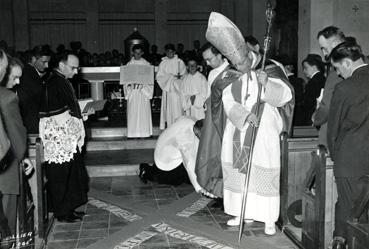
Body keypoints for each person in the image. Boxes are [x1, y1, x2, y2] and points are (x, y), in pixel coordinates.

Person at [205, 12, 293, 235]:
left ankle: (268, 218)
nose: (240, 66)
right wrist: (244, 115)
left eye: (242, 62)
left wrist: (267, 86)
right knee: (241, 172)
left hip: (264, 131)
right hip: (240, 129)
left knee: (262, 172)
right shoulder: (232, 74)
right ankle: (241, 212)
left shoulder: (271, 68)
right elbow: (227, 101)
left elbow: (285, 96)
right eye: (235, 63)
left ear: (249, 55)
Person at [39, 51, 92, 223]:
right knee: (60, 177)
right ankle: (62, 212)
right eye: (73, 67)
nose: (76, 72)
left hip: (66, 138)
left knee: (70, 175)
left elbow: (68, 108)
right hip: (59, 139)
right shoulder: (53, 83)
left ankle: (68, 208)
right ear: (61, 65)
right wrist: (78, 119)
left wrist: (81, 113)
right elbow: (55, 114)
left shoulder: (61, 81)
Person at [327, 41, 369, 249]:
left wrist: (336, 156)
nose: (338, 73)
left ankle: (340, 242)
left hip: (350, 160)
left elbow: (333, 128)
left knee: (347, 207)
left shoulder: (344, 88)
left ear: (347, 63)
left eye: (337, 68)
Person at [0, 54, 33, 244]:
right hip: (5, 170)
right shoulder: (7, 97)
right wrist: (22, 156)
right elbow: (17, 133)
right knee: (6, 226)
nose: (18, 82)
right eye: (14, 77)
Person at [194, 41, 234, 199]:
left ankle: (228, 192)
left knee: (226, 156)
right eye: (205, 60)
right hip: (213, 119)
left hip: (227, 120)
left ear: (220, 55)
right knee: (213, 153)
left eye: (210, 59)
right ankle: (216, 191)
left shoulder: (232, 72)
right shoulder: (211, 74)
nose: (207, 63)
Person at [153, 116, 214, 195]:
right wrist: (199, 187)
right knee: (181, 178)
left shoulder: (192, 120)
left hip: (166, 149)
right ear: (198, 132)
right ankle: (147, 171)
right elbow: (188, 163)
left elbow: (178, 118)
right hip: (164, 161)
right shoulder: (185, 139)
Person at [312, 26, 345, 146]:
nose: (324, 53)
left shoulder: (336, 73)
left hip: (335, 138)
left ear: (336, 44)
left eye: (324, 48)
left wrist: (315, 117)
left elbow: (327, 108)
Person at [17, 45, 51, 134]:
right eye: (44, 62)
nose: (47, 66)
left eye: (48, 62)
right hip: (32, 124)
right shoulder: (28, 75)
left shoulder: (30, 73)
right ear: (33, 59)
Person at [124, 44, 153, 138]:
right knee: (133, 114)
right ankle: (133, 134)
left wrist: (143, 86)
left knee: (143, 114)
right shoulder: (129, 65)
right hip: (133, 93)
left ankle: (144, 133)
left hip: (143, 93)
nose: (137, 55)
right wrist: (129, 86)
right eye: (136, 53)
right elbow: (126, 81)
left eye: (139, 53)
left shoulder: (147, 65)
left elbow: (150, 81)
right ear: (132, 53)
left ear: (142, 53)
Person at [156, 43, 186, 129]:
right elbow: (159, 77)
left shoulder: (180, 62)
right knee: (169, 110)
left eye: (172, 52)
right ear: (165, 52)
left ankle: (179, 127)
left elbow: (184, 75)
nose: (170, 54)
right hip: (168, 90)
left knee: (178, 108)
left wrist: (178, 79)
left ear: (175, 52)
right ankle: (170, 127)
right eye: (168, 52)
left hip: (178, 90)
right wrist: (170, 77)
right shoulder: (163, 63)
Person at [301, 54, 326, 125]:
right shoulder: (322, 78)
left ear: (314, 67)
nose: (304, 71)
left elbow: (309, 102)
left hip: (313, 115)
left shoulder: (313, 82)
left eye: (306, 68)